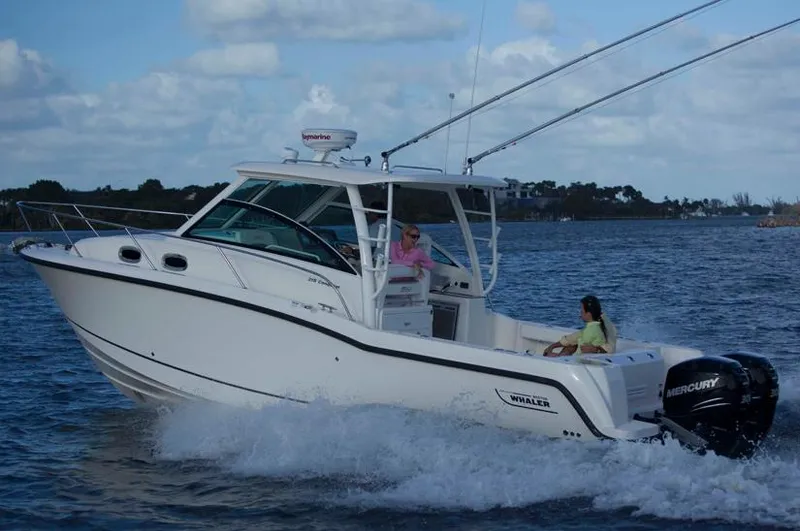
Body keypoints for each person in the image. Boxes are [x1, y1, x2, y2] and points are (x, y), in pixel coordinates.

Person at [543, 295, 617, 357]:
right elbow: (575, 336)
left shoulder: (592, 331)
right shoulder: (597, 324)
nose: (580, 315)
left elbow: (579, 355)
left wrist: (554, 356)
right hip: (593, 357)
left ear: (588, 314)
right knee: (571, 344)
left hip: (589, 361)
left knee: (572, 345)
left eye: (582, 311)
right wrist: (553, 346)